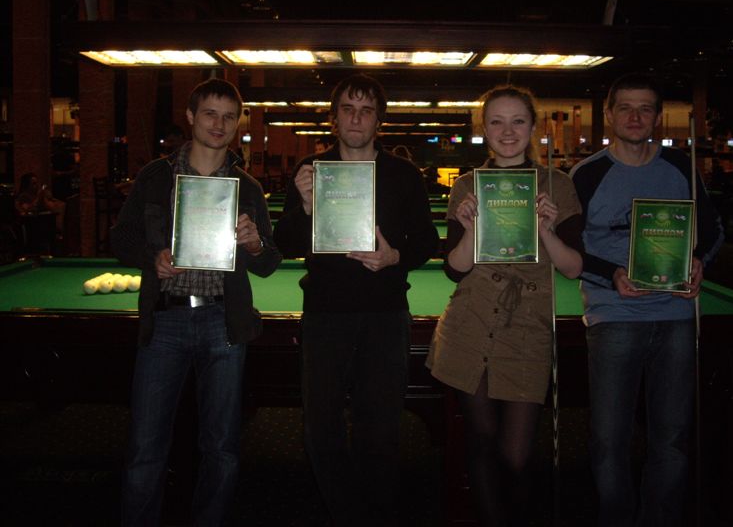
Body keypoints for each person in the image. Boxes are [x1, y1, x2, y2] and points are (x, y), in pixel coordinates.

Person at [110, 78, 282, 526]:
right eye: (210, 113)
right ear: (190, 117)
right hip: (164, 321)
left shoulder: (247, 187)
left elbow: (269, 262)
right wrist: (153, 258)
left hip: (224, 323)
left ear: (237, 123)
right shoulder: (155, 177)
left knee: (222, 448)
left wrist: (254, 244)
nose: (219, 124)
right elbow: (121, 237)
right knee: (145, 447)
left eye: (229, 117)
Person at [273, 73, 439, 526]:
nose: (356, 118)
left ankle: (376, 513)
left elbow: (427, 241)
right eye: (348, 109)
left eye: (366, 111)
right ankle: (347, 513)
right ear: (334, 118)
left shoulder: (403, 174)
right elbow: (285, 242)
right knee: (320, 429)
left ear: (378, 121)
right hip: (325, 315)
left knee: (380, 430)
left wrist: (395, 257)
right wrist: (306, 207)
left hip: (386, 315)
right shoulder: (312, 171)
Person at [569, 73, 724, 527]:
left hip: (676, 315)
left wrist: (698, 260)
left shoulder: (680, 167)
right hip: (613, 316)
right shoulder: (587, 174)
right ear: (609, 115)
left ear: (657, 117)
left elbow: (712, 230)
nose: (635, 117)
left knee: (672, 439)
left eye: (645, 109)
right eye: (625, 107)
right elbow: (569, 249)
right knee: (608, 441)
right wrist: (611, 274)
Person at [426, 85, 584, 526]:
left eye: (518, 121)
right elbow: (455, 269)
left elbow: (573, 268)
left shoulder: (558, 184)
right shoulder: (467, 186)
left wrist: (547, 229)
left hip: (528, 328)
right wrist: (469, 226)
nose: (508, 131)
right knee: (481, 439)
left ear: (533, 127)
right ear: (484, 129)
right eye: (497, 121)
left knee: (516, 455)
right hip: (471, 322)